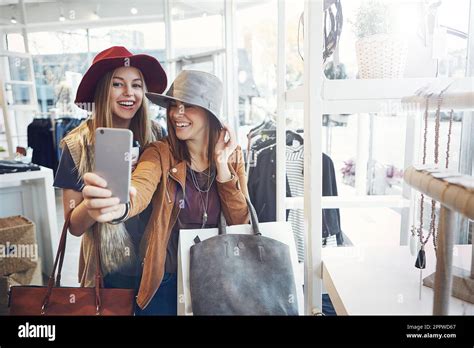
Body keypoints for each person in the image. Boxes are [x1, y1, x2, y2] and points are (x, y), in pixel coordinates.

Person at [82, 70, 250, 315]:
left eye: (188, 106)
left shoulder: (232, 156)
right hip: (166, 279)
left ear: (210, 113)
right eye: (174, 106)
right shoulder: (159, 152)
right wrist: (120, 206)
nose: (176, 114)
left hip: (218, 274)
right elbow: (140, 187)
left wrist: (222, 164)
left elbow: (241, 220)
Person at [53, 46, 167, 290]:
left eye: (137, 85)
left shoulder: (157, 136)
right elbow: (72, 226)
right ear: (102, 89)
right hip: (106, 272)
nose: (129, 93)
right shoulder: (76, 145)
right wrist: (92, 205)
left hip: (158, 263)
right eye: (117, 84)